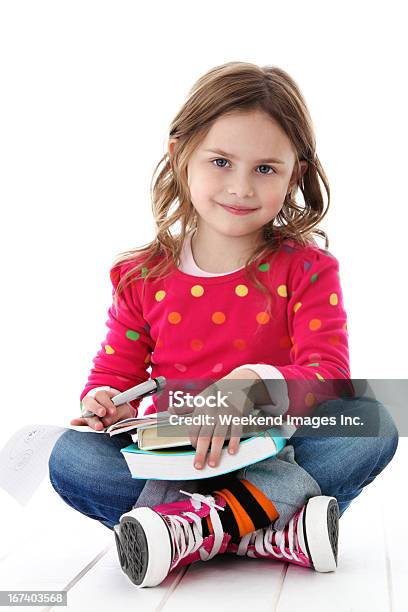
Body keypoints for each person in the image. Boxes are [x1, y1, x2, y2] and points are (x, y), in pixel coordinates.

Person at [48, 61, 399, 588]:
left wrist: (257, 385)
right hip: (176, 458)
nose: (240, 187)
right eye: (220, 161)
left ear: (294, 175)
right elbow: (116, 373)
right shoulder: (141, 275)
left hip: (277, 450)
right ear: (180, 156)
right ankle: (265, 530)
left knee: (374, 419)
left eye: (265, 169)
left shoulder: (306, 269)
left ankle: (191, 533)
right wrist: (103, 400)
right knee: (71, 458)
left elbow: (327, 374)